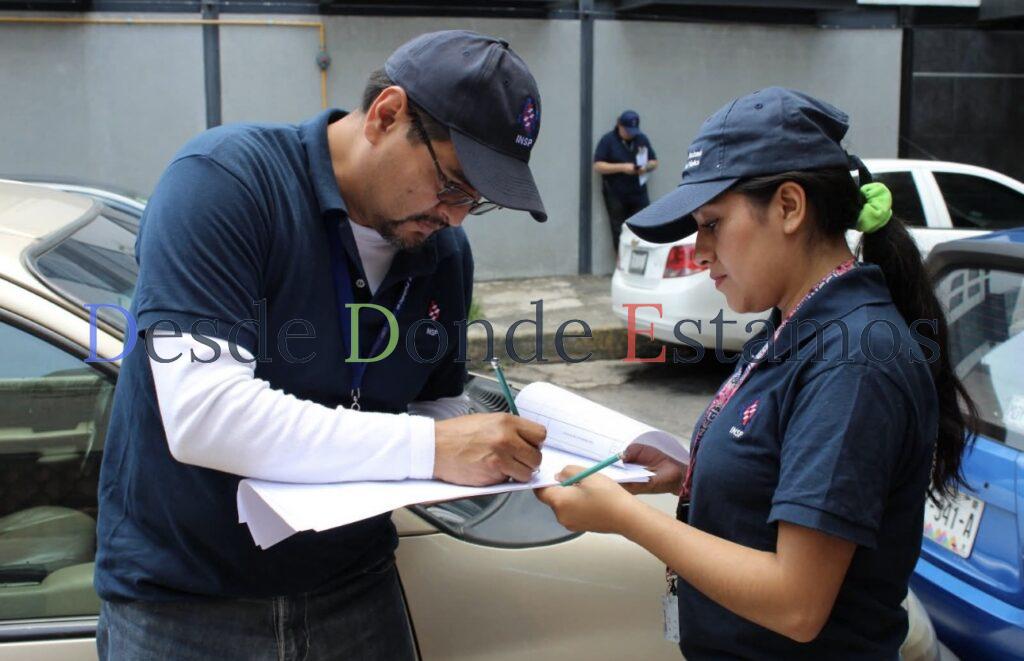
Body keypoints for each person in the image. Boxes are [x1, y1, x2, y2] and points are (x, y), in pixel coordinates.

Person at [95, 30, 549, 660]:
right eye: (452, 183)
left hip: (355, 594)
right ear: (387, 116)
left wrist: (507, 446)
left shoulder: (442, 253)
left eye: (478, 201)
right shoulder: (226, 183)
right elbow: (205, 415)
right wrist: (433, 445)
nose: (456, 216)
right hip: (188, 605)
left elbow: (435, 405)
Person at [538, 87, 976, 659]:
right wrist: (693, 474)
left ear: (790, 207)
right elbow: (782, 468)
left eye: (713, 223)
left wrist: (623, 517)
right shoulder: (792, 323)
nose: (699, 250)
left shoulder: (855, 363)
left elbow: (795, 602)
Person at [593, 110, 658, 250]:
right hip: (616, 193)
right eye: (627, 130)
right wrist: (623, 167)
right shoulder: (608, 140)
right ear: (619, 125)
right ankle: (621, 263)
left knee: (643, 226)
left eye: (633, 131)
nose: (630, 134)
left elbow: (654, 161)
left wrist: (645, 167)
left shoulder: (641, 139)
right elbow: (598, 165)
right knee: (619, 230)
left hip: (638, 192)